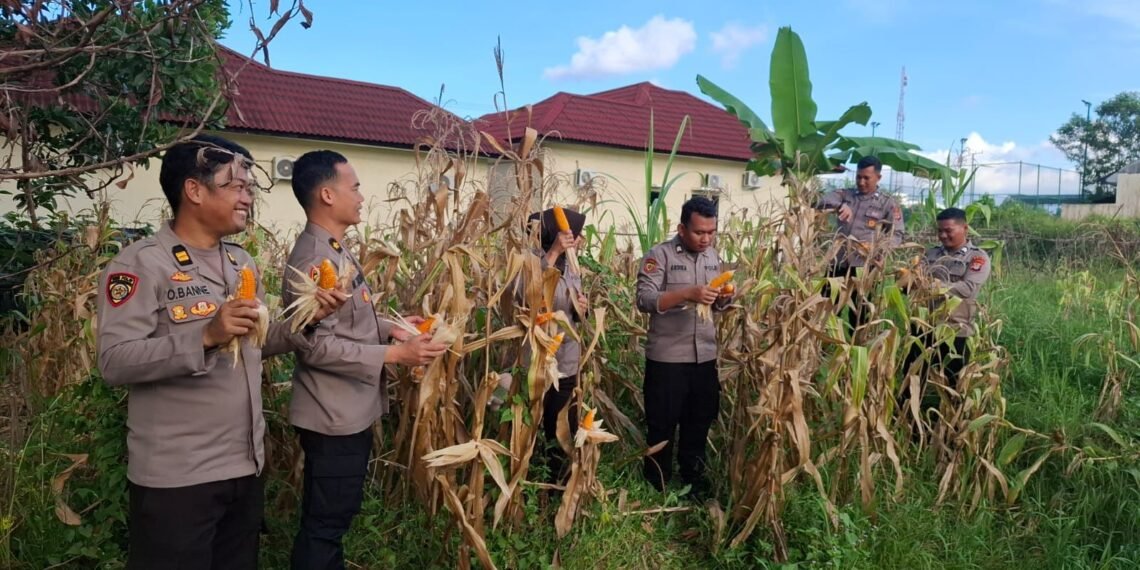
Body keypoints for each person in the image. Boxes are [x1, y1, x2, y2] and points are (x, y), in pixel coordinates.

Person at [96, 135, 345, 569]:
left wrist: (309, 318)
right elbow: (115, 362)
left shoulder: (241, 263)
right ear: (194, 190)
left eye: (250, 188)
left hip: (244, 466)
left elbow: (255, 343)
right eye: (237, 187)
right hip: (178, 479)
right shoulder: (141, 265)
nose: (248, 198)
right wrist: (203, 336)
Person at [283, 149, 448, 570]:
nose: (360, 195)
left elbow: (346, 325)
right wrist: (396, 353)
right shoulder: (314, 260)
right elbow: (314, 346)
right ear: (326, 195)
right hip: (331, 414)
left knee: (335, 517)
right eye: (353, 187)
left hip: (348, 410)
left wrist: (390, 327)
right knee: (325, 524)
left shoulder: (335, 249)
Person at [635, 196, 733, 499]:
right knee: (662, 425)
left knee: (699, 422)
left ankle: (693, 482)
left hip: (704, 356)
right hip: (668, 359)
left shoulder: (712, 257)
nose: (705, 239)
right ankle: (656, 485)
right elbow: (645, 300)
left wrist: (724, 299)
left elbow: (713, 306)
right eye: (699, 232)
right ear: (681, 228)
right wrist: (687, 293)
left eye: (711, 232)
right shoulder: (659, 256)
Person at [899, 207, 992, 413]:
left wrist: (934, 286)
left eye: (948, 230)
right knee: (911, 380)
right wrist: (905, 282)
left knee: (953, 387)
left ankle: (951, 432)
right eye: (939, 231)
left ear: (964, 228)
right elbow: (914, 284)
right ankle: (907, 424)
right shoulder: (930, 254)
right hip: (923, 328)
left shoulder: (977, 258)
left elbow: (968, 288)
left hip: (954, 331)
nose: (943, 235)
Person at [520, 207, 589, 482]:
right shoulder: (528, 262)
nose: (578, 239)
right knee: (532, 424)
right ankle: (529, 477)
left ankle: (558, 482)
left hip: (566, 360)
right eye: (574, 233)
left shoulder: (572, 267)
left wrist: (582, 307)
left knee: (560, 425)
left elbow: (575, 311)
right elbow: (526, 299)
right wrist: (554, 254)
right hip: (537, 363)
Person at [816, 156, 906, 329]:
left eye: (867, 178)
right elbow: (822, 201)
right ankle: (820, 345)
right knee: (826, 306)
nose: (861, 182)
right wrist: (841, 205)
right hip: (839, 262)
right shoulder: (846, 194)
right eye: (859, 177)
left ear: (878, 178)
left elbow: (897, 234)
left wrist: (878, 250)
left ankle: (857, 347)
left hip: (865, 267)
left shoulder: (888, 203)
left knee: (860, 314)